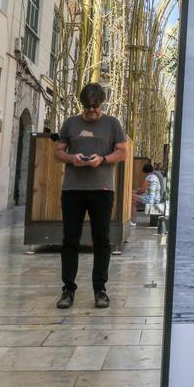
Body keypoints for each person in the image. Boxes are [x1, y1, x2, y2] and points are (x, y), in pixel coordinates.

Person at [53, 83, 128, 309]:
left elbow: (122, 152)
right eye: (87, 108)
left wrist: (102, 160)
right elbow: (58, 151)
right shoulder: (70, 123)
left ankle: (100, 290)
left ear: (102, 104)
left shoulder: (113, 124)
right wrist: (72, 158)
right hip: (72, 190)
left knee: (102, 240)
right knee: (70, 240)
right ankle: (68, 289)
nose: (92, 112)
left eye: (95, 108)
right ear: (82, 105)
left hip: (102, 190)